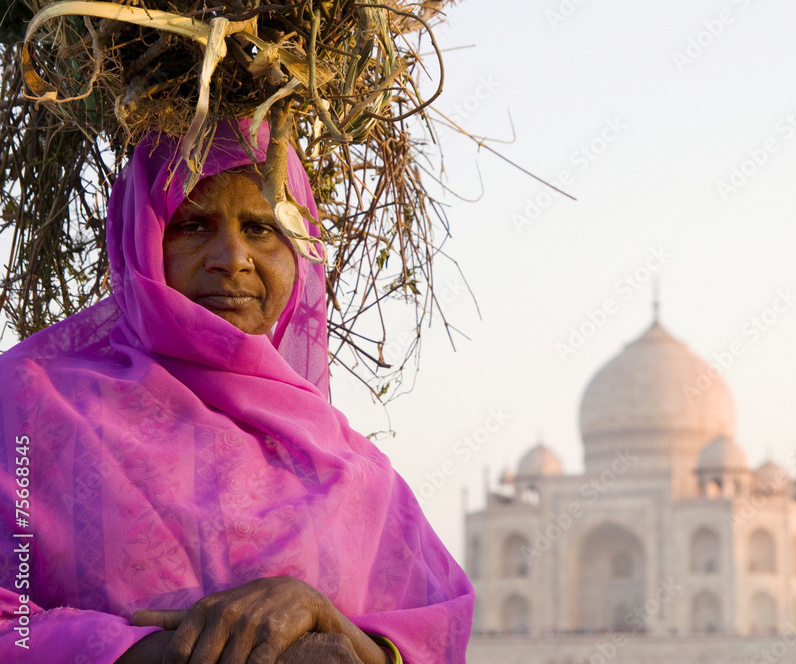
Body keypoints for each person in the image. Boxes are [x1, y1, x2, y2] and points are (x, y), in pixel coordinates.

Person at [0, 120, 474, 663]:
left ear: (301, 251)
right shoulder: (27, 406)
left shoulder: (355, 471)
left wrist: (325, 623)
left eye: (261, 228)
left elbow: (433, 642)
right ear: (141, 240)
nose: (232, 257)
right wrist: (168, 653)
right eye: (193, 225)